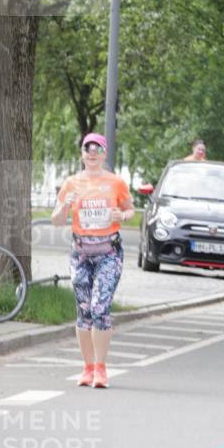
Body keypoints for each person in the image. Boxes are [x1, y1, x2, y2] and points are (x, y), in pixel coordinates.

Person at [52, 133, 135, 389]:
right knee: (84, 311)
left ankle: (101, 368)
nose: (92, 153)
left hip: (109, 253)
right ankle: (87, 368)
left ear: (104, 154)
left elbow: (130, 210)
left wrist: (121, 214)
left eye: (97, 148)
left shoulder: (116, 183)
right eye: (87, 149)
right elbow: (56, 220)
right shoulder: (72, 183)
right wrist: (65, 206)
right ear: (82, 154)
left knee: (100, 308)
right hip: (81, 254)